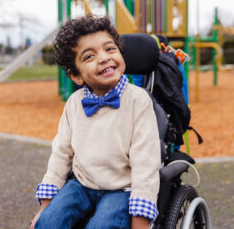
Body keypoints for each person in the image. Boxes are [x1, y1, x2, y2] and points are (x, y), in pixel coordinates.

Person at [30, 15, 161, 229]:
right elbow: (61, 152)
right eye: (89, 56)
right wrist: (45, 207)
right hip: (82, 184)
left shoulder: (138, 101)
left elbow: (146, 162)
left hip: (122, 188)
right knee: (47, 223)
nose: (103, 58)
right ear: (75, 75)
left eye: (110, 49)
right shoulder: (74, 103)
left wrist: (141, 217)